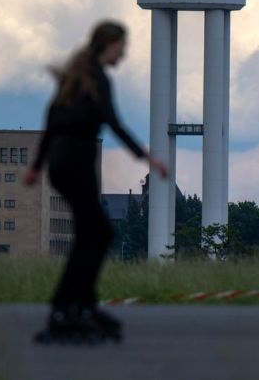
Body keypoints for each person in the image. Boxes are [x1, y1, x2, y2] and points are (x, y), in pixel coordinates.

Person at [24, 20, 167, 344]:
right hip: (75, 165)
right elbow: (114, 123)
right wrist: (148, 158)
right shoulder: (96, 79)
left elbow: (51, 121)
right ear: (109, 45)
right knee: (97, 234)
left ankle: (80, 305)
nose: (124, 53)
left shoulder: (76, 79)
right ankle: (67, 308)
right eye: (122, 47)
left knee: (94, 234)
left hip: (63, 165)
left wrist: (36, 167)